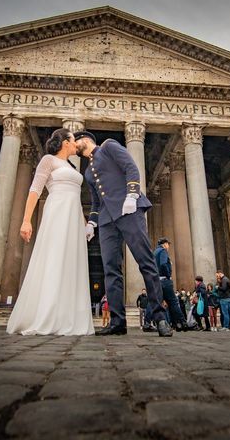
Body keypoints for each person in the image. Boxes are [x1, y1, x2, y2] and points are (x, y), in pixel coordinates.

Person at [75, 131, 171, 337]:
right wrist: (92, 222)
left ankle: (160, 317)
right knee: (111, 269)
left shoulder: (108, 146)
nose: (75, 147)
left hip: (129, 210)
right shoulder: (88, 171)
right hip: (107, 220)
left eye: (76, 143)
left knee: (145, 261)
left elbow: (131, 167)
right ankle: (118, 322)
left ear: (85, 139)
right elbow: (96, 200)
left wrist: (132, 195)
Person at [7, 128, 94, 336]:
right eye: (74, 140)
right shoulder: (48, 160)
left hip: (73, 215)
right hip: (57, 212)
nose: (77, 144)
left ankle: (66, 317)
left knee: (71, 262)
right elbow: (35, 190)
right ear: (65, 142)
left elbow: (76, 199)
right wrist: (26, 220)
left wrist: (84, 224)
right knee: (54, 259)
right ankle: (46, 315)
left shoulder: (71, 165)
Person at [152, 237, 189, 331]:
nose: (168, 246)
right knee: (173, 302)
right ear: (164, 244)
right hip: (165, 280)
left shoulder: (155, 252)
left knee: (158, 302)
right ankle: (182, 322)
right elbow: (164, 264)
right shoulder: (163, 251)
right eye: (168, 244)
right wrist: (168, 275)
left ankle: (174, 324)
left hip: (157, 280)